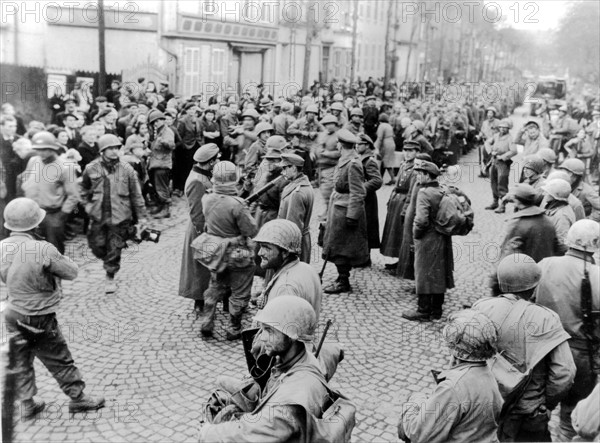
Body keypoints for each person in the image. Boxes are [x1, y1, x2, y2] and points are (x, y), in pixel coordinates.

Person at [1, 198, 105, 419]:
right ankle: (78, 398)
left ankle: (27, 403)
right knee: (59, 357)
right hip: (38, 316)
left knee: (21, 359)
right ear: (35, 224)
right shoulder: (42, 248)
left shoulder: (2, 247)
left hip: (12, 312)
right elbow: (71, 272)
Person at [198, 296, 352, 442]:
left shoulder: (293, 398)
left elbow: (254, 433)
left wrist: (208, 432)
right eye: (263, 329)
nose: (263, 337)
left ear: (292, 336)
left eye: (270, 331)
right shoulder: (301, 357)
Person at [473, 253, 576, 442]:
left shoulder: (480, 307)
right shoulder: (547, 318)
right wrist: (547, 403)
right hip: (527, 413)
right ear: (534, 286)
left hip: (485, 407)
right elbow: (564, 372)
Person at [534, 220, 600, 441]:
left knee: (538, 409)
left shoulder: (545, 264)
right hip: (582, 358)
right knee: (570, 418)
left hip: (545, 350)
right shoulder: (598, 275)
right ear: (596, 244)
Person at [398, 309, 503, 442]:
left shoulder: (453, 387)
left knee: (403, 430)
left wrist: (413, 401)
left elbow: (417, 433)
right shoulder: (488, 373)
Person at [192, 161, 258, 340]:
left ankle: (207, 322)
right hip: (237, 254)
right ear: (232, 180)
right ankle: (234, 328)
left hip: (215, 253)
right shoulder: (237, 204)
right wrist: (248, 209)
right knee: (240, 291)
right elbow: (251, 230)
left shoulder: (207, 198)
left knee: (215, 286)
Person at [80, 134, 147, 294]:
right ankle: (108, 260)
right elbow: (82, 189)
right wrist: (88, 206)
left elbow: (136, 195)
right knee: (96, 246)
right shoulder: (91, 168)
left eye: (117, 148)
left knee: (114, 247)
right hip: (98, 215)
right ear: (102, 151)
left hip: (120, 217)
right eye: (110, 148)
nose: (114, 151)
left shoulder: (127, 169)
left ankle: (110, 275)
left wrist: (142, 217)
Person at [402, 160, 454, 321]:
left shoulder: (424, 192)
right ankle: (436, 310)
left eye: (419, 173)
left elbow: (421, 220)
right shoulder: (441, 189)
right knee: (438, 273)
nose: (417, 176)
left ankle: (423, 310)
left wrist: (416, 235)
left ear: (427, 175)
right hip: (442, 237)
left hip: (427, 238)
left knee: (424, 272)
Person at [322, 129, 368, 294]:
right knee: (336, 244)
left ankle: (343, 281)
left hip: (345, 210)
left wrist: (352, 215)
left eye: (338, 143)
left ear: (342, 145)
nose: (337, 146)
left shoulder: (353, 163)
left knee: (342, 247)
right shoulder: (345, 159)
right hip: (339, 206)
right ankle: (341, 277)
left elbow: (358, 192)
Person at [178, 143, 220, 316]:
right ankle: (199, 301)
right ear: (210, 162)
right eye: (216, 160)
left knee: (206, 267)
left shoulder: (203, 174)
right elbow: (196, 212)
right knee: (199, 268)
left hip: (209, 226)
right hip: (201, 229)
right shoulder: (197, 180)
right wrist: (205, 234)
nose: (218, 162)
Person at [21, 131, 79, 254]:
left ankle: (56, 272)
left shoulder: (65, 167)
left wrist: (62, 215)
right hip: (32, 213)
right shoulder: (33, 161)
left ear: (53, 149)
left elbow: (74, 195)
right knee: (33, 249)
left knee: (54, 250)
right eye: (38, 149)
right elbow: (26, 179)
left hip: (52, 214)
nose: (41, 153)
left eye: (45, 149)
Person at [254, 219, 322, 319]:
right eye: (260, 247)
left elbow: (279, 331)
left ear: (285, 252)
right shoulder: (307, 269)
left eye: (267, 248)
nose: (260, 253)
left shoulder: (286, 288)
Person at [498, 183, 565, 263]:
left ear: (517, 200)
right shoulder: (547, 219)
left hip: (525, 270)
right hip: (545, 267)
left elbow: (507, 251)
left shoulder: (517, 223)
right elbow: (557, 247)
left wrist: (496, 273)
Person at [380, 140, 420, 271]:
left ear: (417, 152)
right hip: (396, 202)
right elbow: (397, 184)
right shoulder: (403, 165)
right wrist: (390, 199)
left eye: (411, 151)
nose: (407, 154)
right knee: (395, 232)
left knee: (404, 232)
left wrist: (406, 208)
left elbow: (412, 191)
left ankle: (405, 262)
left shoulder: (416, 168)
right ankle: (399, 259)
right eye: (405, 150)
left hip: (405, 202)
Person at [277, 153, 314, 264]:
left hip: (293, 244)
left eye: (285, 168)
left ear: (293, 168)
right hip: (302, 240)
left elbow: (294, 227)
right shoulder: (305, 186)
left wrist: (289, 251)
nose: (282, 172)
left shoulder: (297, 193)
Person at [356, 134, 383, 255]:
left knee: (366, 226)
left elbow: (377, 180)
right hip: (361, 198)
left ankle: (365, 256)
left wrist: (360, 188)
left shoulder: (369, 161)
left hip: (367, 199)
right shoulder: (360, 158)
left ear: (367, 145)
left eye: (359, 144)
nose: (356, 146)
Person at [147, 109, 176, 219]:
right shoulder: (159, 131)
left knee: (162, 188)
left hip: (162, 164)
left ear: (163, 120)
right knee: (157, 187)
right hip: (156, 163)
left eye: (158, 121)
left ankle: (166, 210)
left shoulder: (167, 132)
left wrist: (163, 141)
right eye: (154, 122)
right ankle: (161, 206)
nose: (156, 123)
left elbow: (171, 146)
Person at [485, 119, 517, 213]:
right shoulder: (496, 136)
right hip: (494, 161)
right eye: (501, 127)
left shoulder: (510, 138)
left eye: (505, 127)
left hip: (503, 163)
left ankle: (503, 205)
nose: (502, 129)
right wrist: (491, 151)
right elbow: (487, 142)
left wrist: (502, 157)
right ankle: (495, 202)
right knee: (493, 181)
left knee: (502, 183)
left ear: (508, 128)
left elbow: (514, 151)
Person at [315, 115, 341, 223]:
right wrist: (314, 152)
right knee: (322, 189)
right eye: (326, 124)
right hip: (321, 167)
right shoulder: (323, 135)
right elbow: (316, 146)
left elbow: (340, 152)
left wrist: (327, 153)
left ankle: (329, 211)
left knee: (328, 189)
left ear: (335, 124)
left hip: (332, 166)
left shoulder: (338, 136)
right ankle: (327, 208)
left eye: (331, 124)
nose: (329, 126)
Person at [540, 178, 576, 246]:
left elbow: (561, 243)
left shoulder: (562, 216)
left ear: (555, 196)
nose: (543, 194)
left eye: (547, 192)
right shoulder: (553, 207)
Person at [374, 113, 396, 185]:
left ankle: (392, 179)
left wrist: (376, 147)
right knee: (386, 162)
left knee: (386, 163)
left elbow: (380, 138)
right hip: (391, 143)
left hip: (385, 144)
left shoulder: (381, 126)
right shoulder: (389, 125)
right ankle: (382, 178)